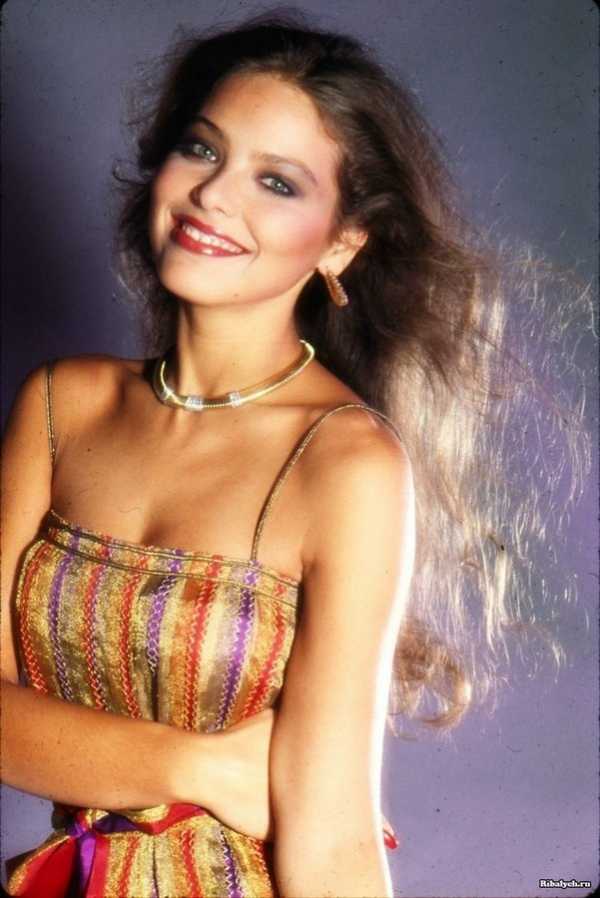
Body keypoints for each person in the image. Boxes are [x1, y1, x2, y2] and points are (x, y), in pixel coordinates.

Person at [0, 10, 589, 898]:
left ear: (342, 243)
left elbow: (333, 836)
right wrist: (202, 766)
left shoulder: (346, 462)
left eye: (276, 182)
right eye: (202, 149)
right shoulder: (60, 405)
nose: (214, 196)